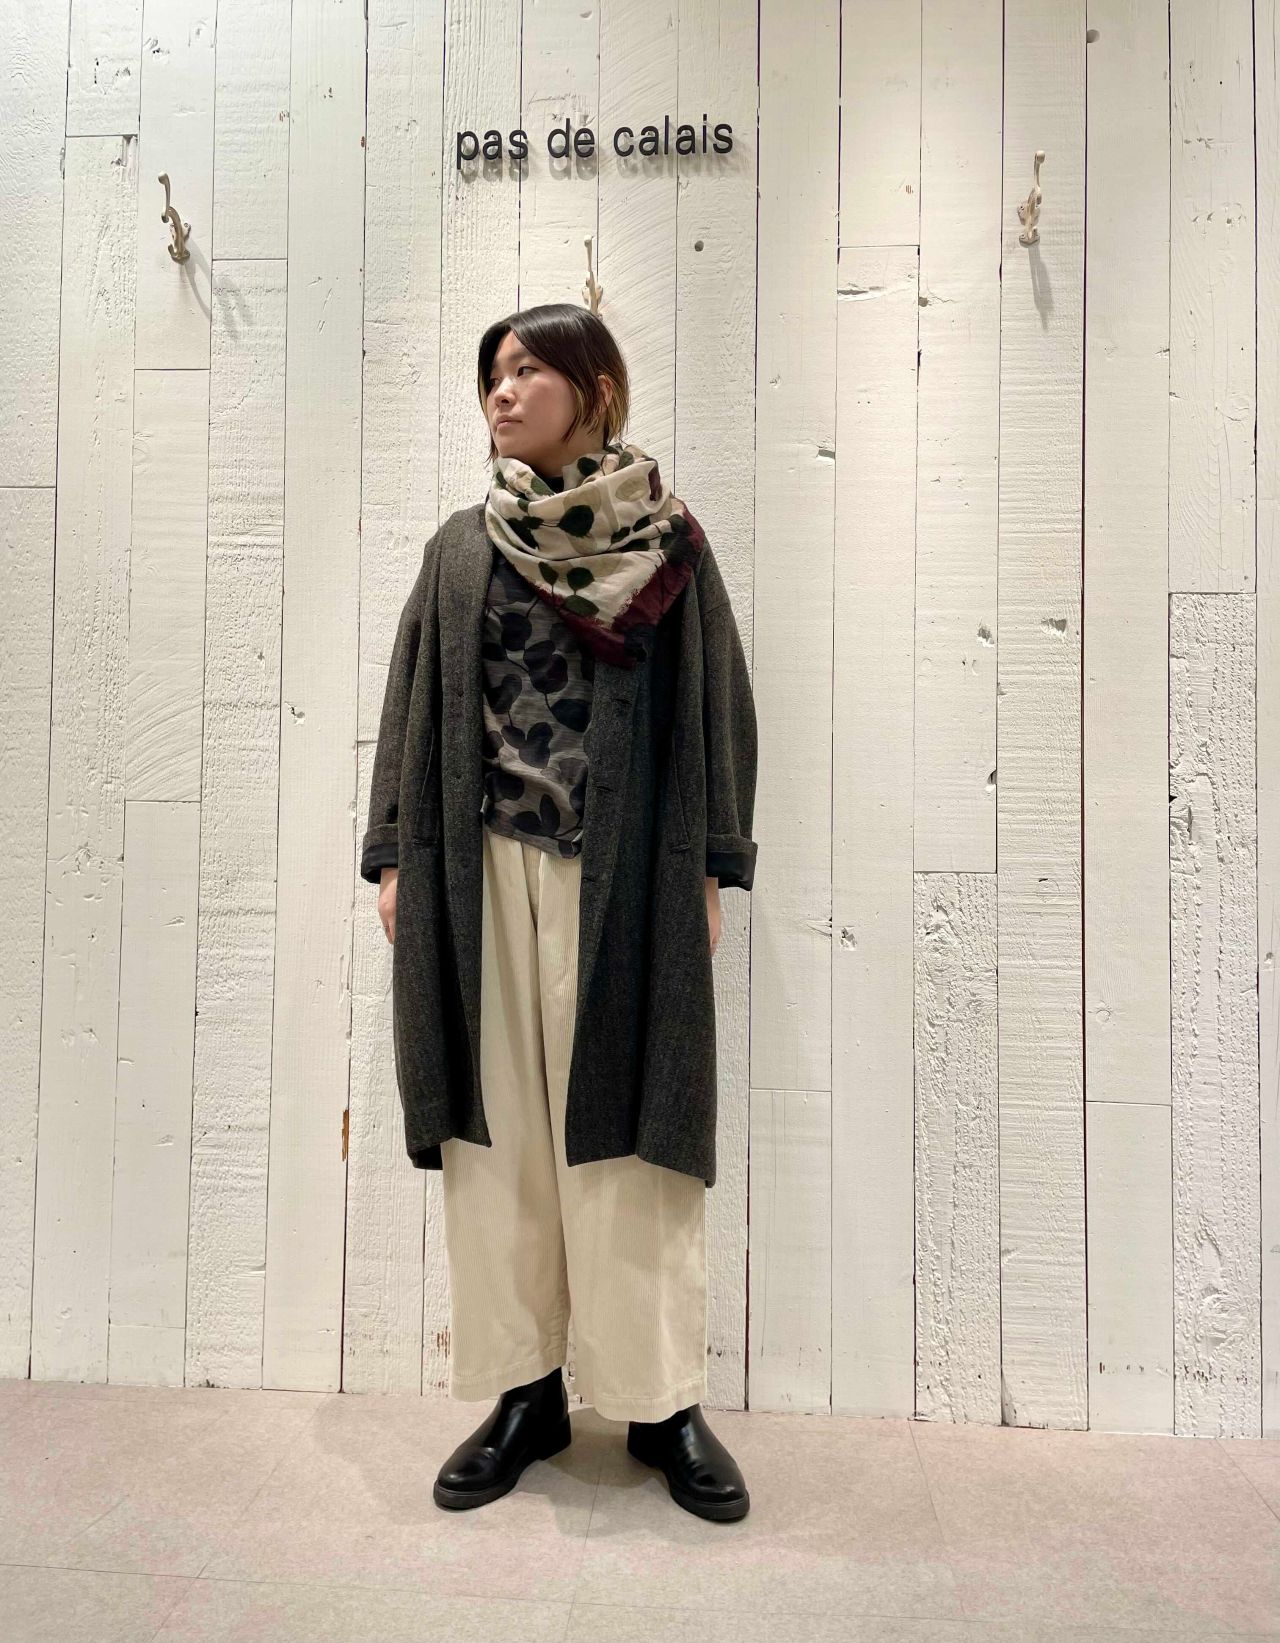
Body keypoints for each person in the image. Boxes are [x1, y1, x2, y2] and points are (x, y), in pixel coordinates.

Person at [364, 303, 757, 1522]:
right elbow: (410, 699)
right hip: (477, 872)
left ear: (594, 388)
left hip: (623, 879)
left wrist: (710, 862)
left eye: (528, 368)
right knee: (497, 1147)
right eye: (491, 371)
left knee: (633, 1142)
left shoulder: (664, 544)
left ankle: (659, 1401)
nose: (501, 389)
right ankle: (525, 1390)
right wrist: (393, 855)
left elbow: (719, 702)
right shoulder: (460, 548)